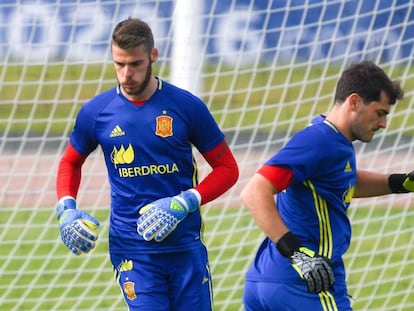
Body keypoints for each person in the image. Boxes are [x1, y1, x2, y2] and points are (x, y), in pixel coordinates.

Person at [55, 17, 239, 311]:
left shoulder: (186, 107)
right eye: (119, 64)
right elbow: (70, 162)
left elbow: (228, 169)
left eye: (136, 64)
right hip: (132, 249)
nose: (126, 73)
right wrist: (66, 209)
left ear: (153, 56)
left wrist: (185, 202)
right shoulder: (97, 112)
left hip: (184, 246)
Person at [240, 61, 414, 310]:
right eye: (380, 113)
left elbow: (342, 181)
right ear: (354, 102)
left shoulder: (330, 138)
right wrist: (296, 253)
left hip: (268, 277)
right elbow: (254, 191)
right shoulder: (320, 141)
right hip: (304, 281)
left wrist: (400, 183)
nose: (384, 124)